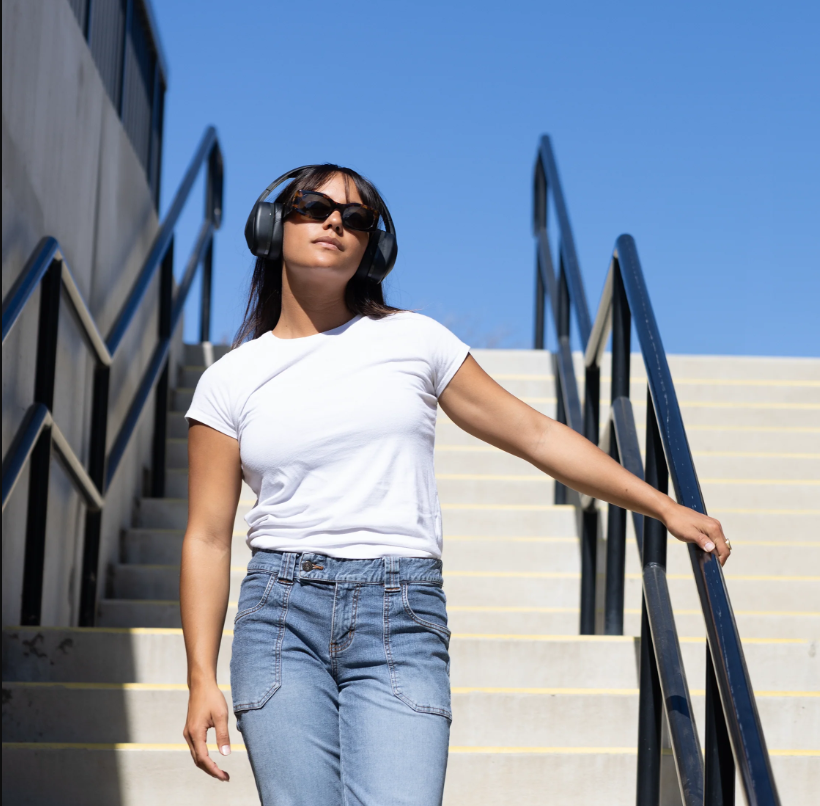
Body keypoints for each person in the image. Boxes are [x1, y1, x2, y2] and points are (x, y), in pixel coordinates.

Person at [180, 164, 730, 806]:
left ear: (372, 249)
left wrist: (662, 506)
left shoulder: (414, 340)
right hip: (280, 617)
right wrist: (200, 677)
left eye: (356, 218)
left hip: (400, 613)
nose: (335, 221)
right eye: (313, 206)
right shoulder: (229, 380)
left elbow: (536, 434)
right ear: (272, 224)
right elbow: (209, 538)